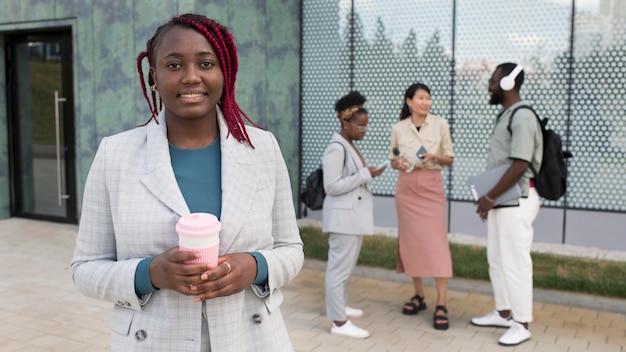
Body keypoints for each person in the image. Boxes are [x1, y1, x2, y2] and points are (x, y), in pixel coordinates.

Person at [71, 14, 304, 351]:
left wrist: (256, 266)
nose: (191, 77)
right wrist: (149, 274)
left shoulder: (261, 148)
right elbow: (84, 269)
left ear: (225, 71)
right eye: (174, 65)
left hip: (252, 339)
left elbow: (291, 250)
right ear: (154, 76)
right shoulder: (115, 155)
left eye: (206, 63)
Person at [470, 63, 542, 346]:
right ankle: (504, 312)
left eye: (493, 80)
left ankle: (522, 323)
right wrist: (489, 199)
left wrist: (488, 198)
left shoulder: (522, 116)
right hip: (503, 198)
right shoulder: (506, 115)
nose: (489, 85)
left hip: (518, 198)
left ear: (508, 83)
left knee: (515, 262)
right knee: (497, 259)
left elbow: (520, 163)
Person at [389, 83, 454, 330]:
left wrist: (435, 157)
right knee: (411, 243)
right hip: (406, 188)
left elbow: (450, 157)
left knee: (437, 244)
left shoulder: (440, 124)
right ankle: (419, 296)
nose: (425, 102)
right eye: (421, 98)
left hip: (431, 186)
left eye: (428, 98)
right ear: (409, 101)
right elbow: (392, 159)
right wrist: (399, 163)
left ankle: (442, 303)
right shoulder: (398, 128)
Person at [322, 91, 385, 339]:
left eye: (366, 126)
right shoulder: (336, 148)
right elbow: (332, 186)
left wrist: (367, 173)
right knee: (338, 270)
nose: (363, 130)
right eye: (360, 126)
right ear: (345, 123)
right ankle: (338, 322)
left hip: (351, 217)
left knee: (344, 269)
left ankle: (341, 306)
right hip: (343, 219)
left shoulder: (348, 144)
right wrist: (365, 175)